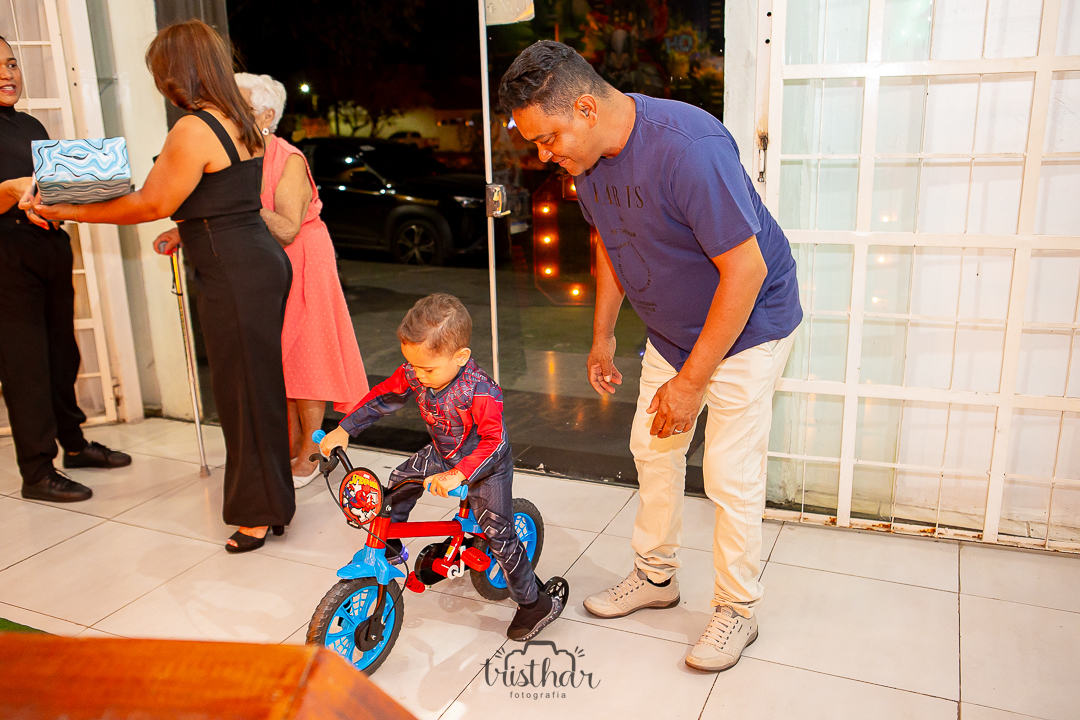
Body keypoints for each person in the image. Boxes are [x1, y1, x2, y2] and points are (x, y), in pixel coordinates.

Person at [499, 41, 802, 672]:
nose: (544, 154)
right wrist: (603, 334)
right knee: (653, 449)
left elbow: (745, 271)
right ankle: (656, 577)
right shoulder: (587, 163)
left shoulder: (689, 148)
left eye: (548, 138)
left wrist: (691, 384)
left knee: (728, 471)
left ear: (586, 108)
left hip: (749, 324)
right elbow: (612, 243)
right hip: (671, 330)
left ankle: (737, 609)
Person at [24, 20, 294, 552]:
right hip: (253, 259)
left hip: (234, 271)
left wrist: (67, 209)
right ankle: (272, 504)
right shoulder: (238, 117)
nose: (159, 83)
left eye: (160, 72)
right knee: (256, 389)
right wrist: (185, 229)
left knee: (243, 393)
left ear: (178, 72)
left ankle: (258, 514)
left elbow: (151, 203)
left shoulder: (194, 128)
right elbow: (223, 198)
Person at [319, 294, 564, 642]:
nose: (418, 376)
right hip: (442, 454)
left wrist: (459, 473)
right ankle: (390, 546)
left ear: (460, 357)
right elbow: (385, 396)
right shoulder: (418, 372)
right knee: (399, 481)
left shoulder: (480, 390)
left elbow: (494, 441)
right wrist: (345, 428)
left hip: (486, 466)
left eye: (428, 369)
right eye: (413, 366)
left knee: (499, 534)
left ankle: (534, 604)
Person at [0, 35, 131, 503]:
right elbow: (14, 191)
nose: (8, 73)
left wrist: (91, 184)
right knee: (26, 367)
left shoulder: (30, 124)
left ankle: (73, 446)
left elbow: (50, 188)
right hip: (7, 259)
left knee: (62, 355)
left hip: (50, 248)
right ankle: (36, 472)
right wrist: (10, 189)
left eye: (12, 63)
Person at [233, 72, 368, 488]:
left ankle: (312, 452)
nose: (230, 113)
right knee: (281, 358)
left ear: (266, 115)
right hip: (267, 265)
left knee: (308, 356)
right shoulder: (237, 156)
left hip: (303, 261)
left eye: (239, 106)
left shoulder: (287, 158)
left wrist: (236, 204)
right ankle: (292, 444)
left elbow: (288, 228)